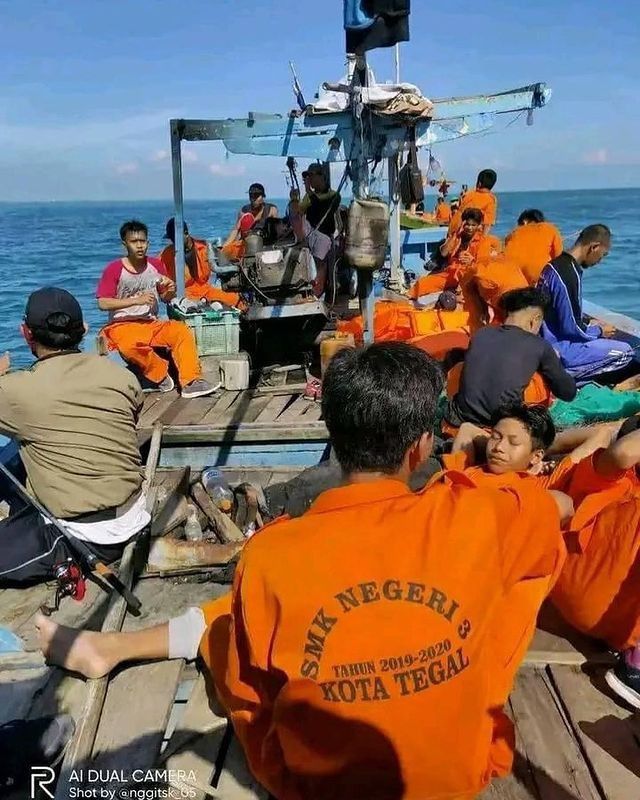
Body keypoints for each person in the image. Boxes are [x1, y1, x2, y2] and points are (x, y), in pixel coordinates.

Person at [36, 342, 567, 800]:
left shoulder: (272, 553)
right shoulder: (483, 515)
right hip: (459, 773)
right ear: (421, 446)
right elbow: (556, 510)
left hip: (316, 787)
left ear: (332, 431)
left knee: (231, 630)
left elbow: (251, 691)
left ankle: (115, 647)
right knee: (514, 580)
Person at [0, 288, 150, 585]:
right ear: (83, 329)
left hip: (86, 537)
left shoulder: (16, 391)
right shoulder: (121, 376)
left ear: (26, 333)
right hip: (134, 512)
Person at [544, 413, 640, 708]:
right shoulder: (615, 477)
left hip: (580, 602)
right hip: (605, 619)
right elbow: (621, 452)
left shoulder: (603, 474)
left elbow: (612, 442)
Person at [96, 220, 216, 398]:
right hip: (122, 325)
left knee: (180, 331)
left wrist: (170, 289)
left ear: (148, 242)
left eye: (142, 241)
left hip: (151, 323)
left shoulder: (155, 265)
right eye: (134, 242)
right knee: (129, 346)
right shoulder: (114, 269)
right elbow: (103, 303)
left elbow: (165, 297)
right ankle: (159, 373)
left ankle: (191, 381)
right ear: (124, 245)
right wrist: (136, 301)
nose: (139, 246)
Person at [444, 288, 577, 430]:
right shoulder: (539, 345)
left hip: (457, 421)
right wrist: (553, 360)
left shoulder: (482, 334)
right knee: (538, 378)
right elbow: (568, 392)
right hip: (502, 428)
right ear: (534, 320)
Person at [538, 225, 635, 381]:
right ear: (594, 247)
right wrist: (599, 331)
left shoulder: (554, 265)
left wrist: (589, 323)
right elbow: (571, 329)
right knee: (625, 352)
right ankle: (564, 379)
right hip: (558, 347)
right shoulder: (568, 274)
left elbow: (562, 312)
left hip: (544, 339)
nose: (600, 261)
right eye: (602, 255)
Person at [408, 208, 501, 300]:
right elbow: (443, 253)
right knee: (422, 283)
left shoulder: (483, 241)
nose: (470, 228)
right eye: (467, 224)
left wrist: (472, 261)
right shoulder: (457, 236)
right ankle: (407, 297)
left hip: (469, 276)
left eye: (473, 225)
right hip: (450, 274)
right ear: (463, 223)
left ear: (478, 226)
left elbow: (483, 265)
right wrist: (456, 234)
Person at [159, 218, 242, 307]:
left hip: (205, 290)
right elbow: (155, 269)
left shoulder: (203, 248)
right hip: (182, 294)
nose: (173, 241)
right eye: (171, 238)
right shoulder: (166, 253)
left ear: (186, 234)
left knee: (236, 299)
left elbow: (225, 258)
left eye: (175, 238)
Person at [298, 162, 342, 296]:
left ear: (321, 176)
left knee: (319, 264)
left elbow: (322, 207)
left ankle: (318, 293)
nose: (309, 179)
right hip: (310, 235)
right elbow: (300, 211)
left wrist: (309, 192)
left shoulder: (333, 195)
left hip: (324, 235)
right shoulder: (309, 197)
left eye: (311, 175)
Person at [504, 209, 563, 285]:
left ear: (525, 221)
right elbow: (559, 258)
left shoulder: (512, 234)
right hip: (541, 280)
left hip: (514, 281)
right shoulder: (550, 229)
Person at [223, 183, 278, 248]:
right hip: (247, 245)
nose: (253, 199)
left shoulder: (271, 210)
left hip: (265, 245)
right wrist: (224, 246)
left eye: (256, 196)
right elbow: (235, 230)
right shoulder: (244, 211)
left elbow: (276, 231)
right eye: (251, 196)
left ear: (263, 196)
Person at [448, 169, 498, 235]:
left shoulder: (467, 194)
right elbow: (487, 225)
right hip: (468, 234)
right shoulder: (491, 200)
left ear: (479, 183)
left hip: (453, 231)